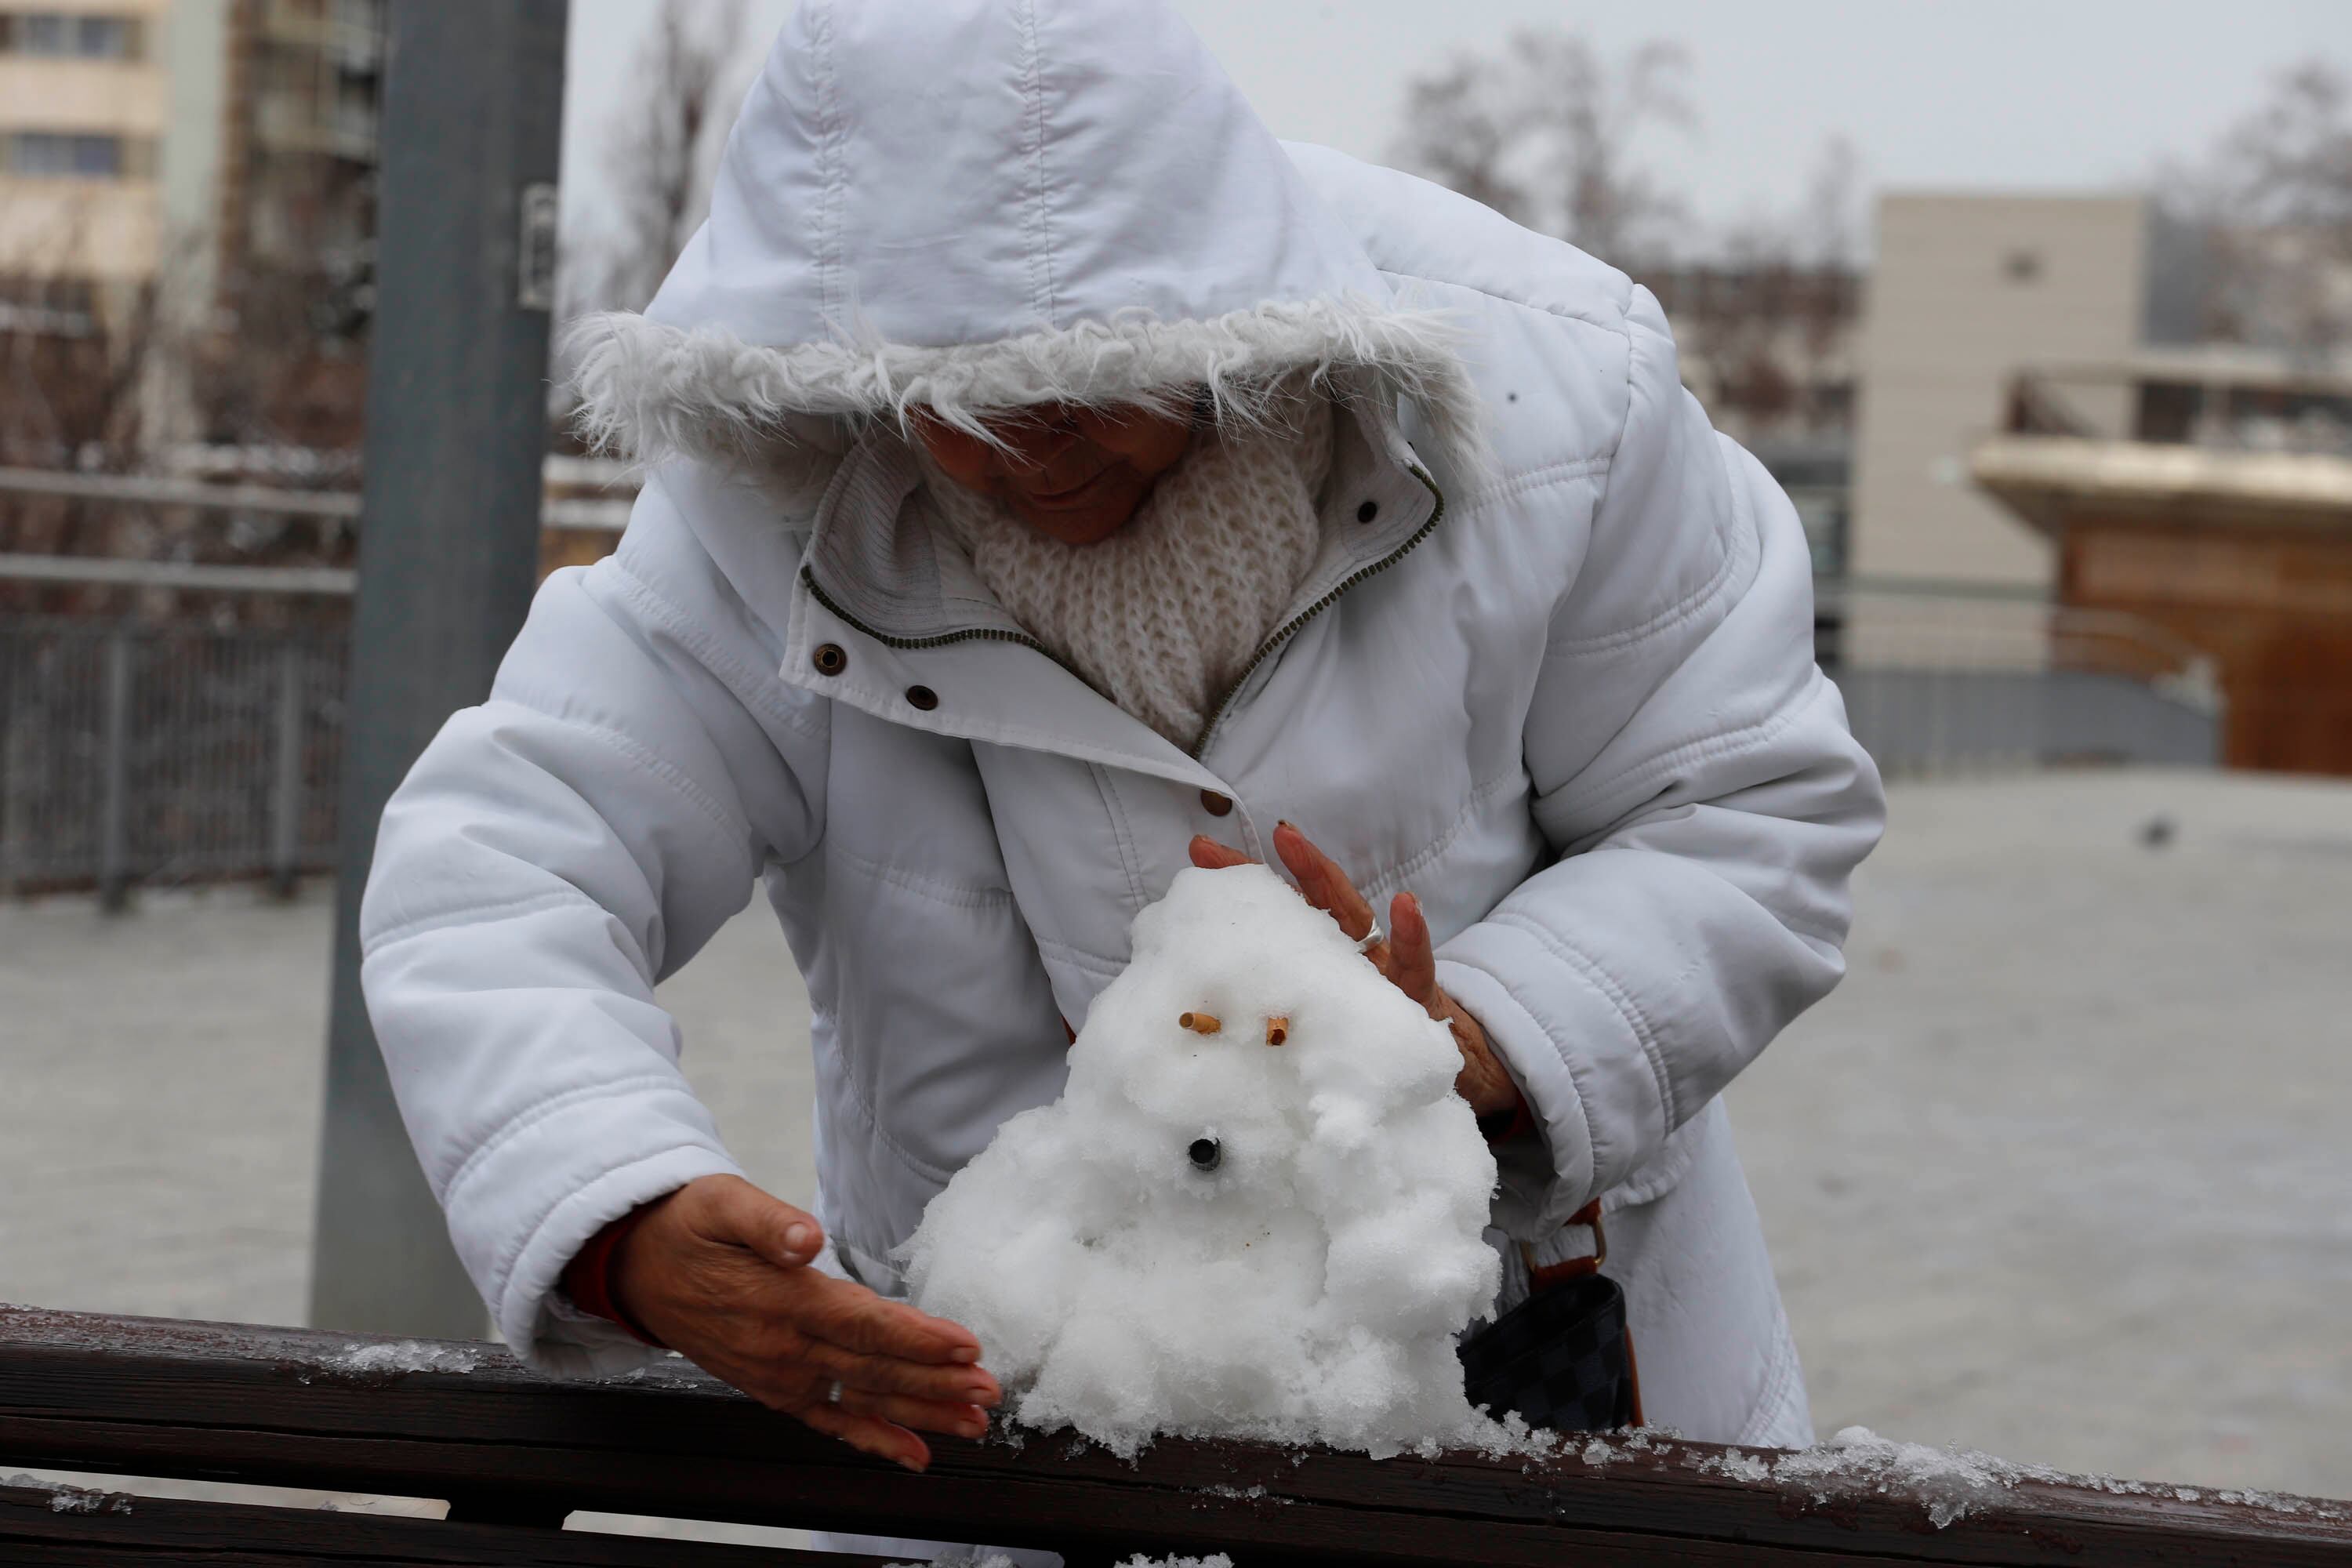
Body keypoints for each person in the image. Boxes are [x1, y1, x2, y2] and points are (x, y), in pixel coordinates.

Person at [362, 0, 1885, 1494]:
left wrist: (1483, 1040)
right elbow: (500, 865)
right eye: (936, 394)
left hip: (1533, 1382)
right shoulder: (787, 474)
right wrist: (616, 1211)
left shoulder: (1555, 386)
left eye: (1081, 382)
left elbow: (1750, 802)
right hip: (1009, 1425)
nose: (1001, 450)